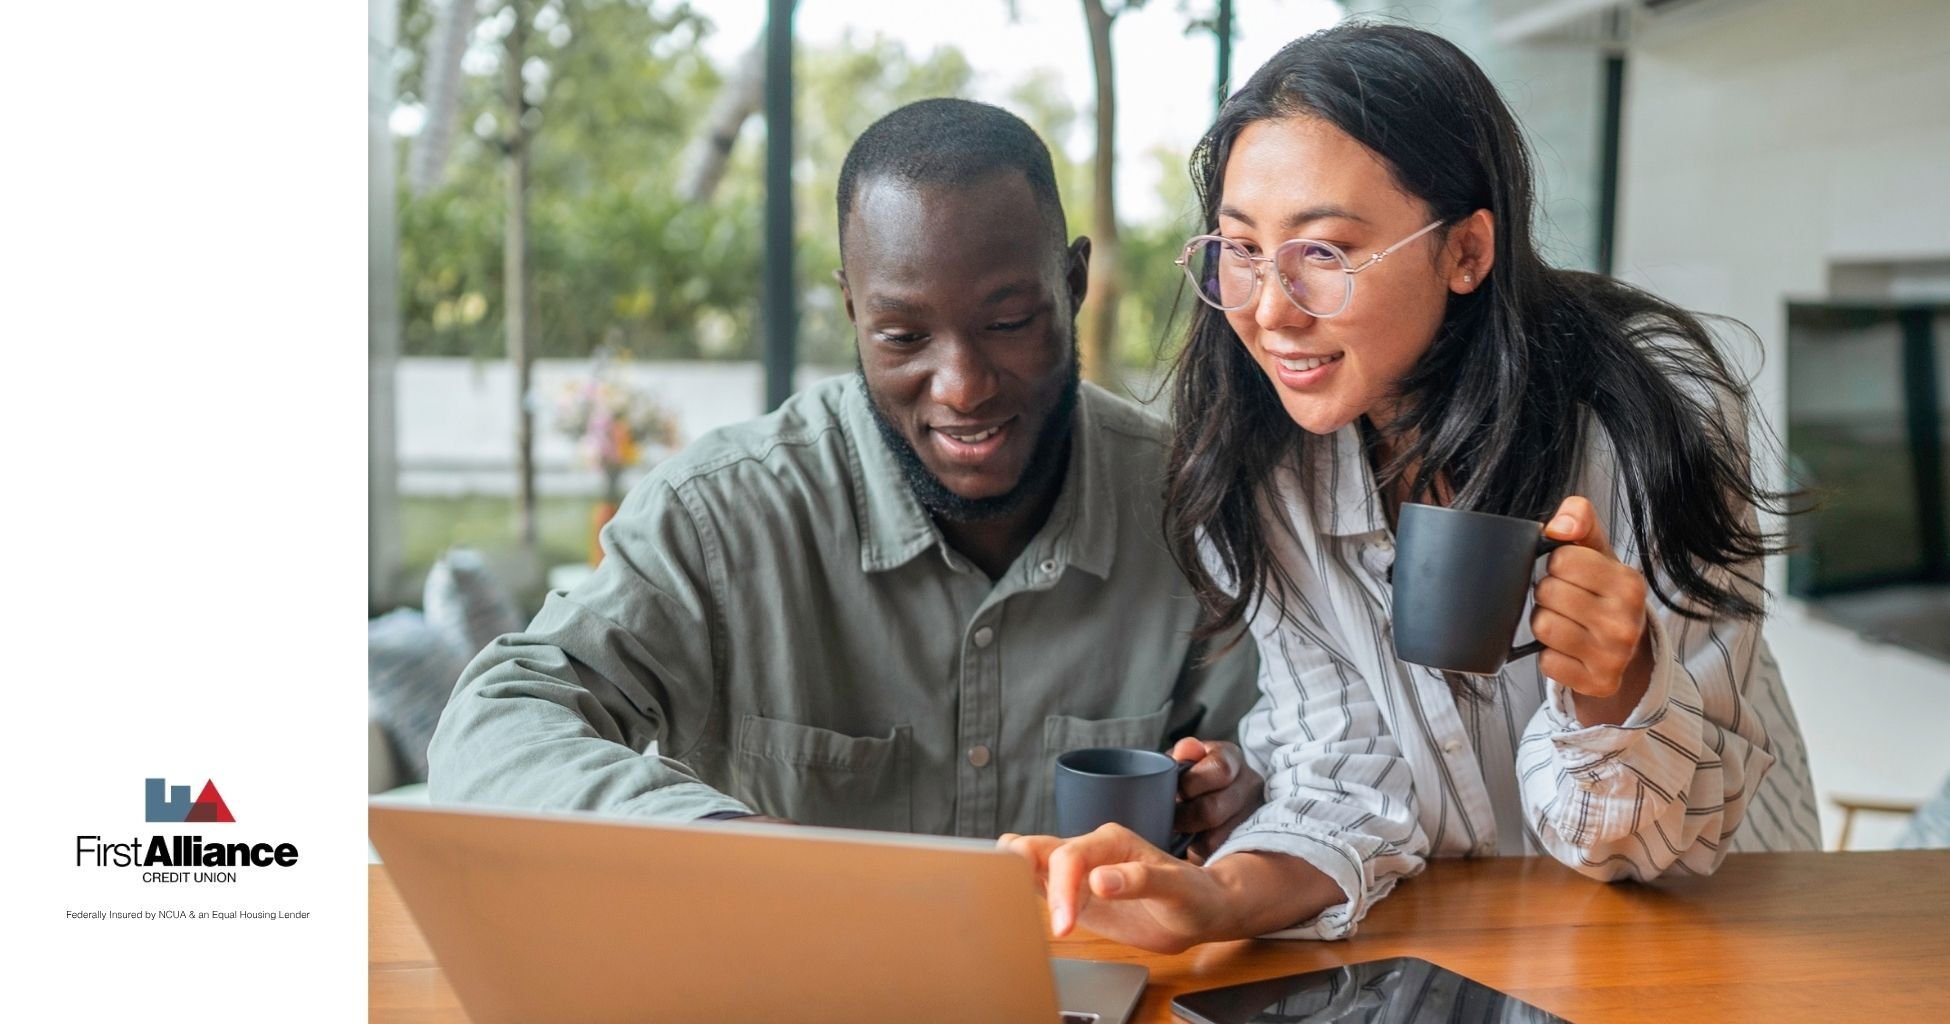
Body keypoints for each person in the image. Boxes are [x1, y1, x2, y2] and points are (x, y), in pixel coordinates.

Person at [1001, 24, 1820, 951]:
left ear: (1466, 252)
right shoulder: (1270, 458)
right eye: (1239, 249)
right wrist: (1217, 897)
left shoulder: (1651, 422)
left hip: (1735, 934)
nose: (1269, 311)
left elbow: (1657, 850)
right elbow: (1350, 770)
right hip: (1478, 940)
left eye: (1324, 253)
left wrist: (1616, 689)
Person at [427, 99, 1262, 844]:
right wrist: (724, 838)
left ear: (1072, 283)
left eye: (1008, 322)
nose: (963, 386)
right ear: (853, 310)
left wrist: (1248, 789)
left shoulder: (1192, 504)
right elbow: (493, 724)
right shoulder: (722, 516)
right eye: (902, 337)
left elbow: (1311, 757)